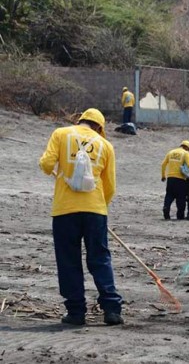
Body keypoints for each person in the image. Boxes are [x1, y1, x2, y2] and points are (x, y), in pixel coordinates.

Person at [39, 108, 124, 326]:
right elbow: (110, 186)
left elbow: (47, 164)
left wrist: (52, 169)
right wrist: (100, 208)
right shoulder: (106, 145)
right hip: (95, 211)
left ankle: (76, 312)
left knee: (68, 260)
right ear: (100, 127)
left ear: (81, 120)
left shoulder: (60, 134)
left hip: (64, 210)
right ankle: (112, 310)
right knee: (100, 259)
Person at [161, 141, 189, 220]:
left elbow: (163, 164)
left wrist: (163, 176)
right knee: (181, 198)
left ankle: (166, 209)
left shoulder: (171, 152)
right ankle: (180, 216)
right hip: (180, 180)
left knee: (169, 195)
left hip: (170, 178)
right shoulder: (185, 153)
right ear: (187, 147)